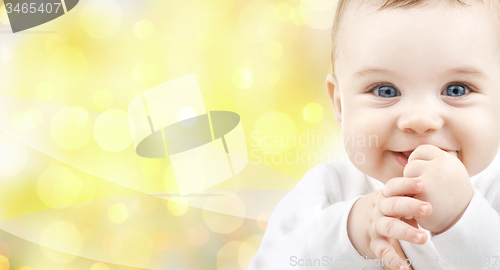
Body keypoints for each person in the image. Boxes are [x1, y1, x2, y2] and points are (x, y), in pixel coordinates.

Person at [249, 0, 500, 269]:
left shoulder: (494, 193)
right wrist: (348, 233)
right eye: (385, 91)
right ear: (340, 104)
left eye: (456, 90)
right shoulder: (327, 192)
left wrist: (463, 218)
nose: (419, 120)